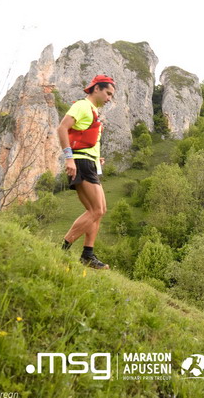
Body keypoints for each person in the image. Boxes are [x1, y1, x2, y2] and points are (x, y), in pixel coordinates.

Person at [57, 75, 115, 269]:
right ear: (96, 88)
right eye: (108, 93)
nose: (109, 98)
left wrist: (96, 158)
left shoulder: (93, 111)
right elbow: (62, 128)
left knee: (99, 211)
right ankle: (63, 249)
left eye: (111, 95)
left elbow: (83, 138)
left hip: (89, 162)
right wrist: (69, 158)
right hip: (81, 163)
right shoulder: (82, 106)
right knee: (96, 210)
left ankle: (87, 254)